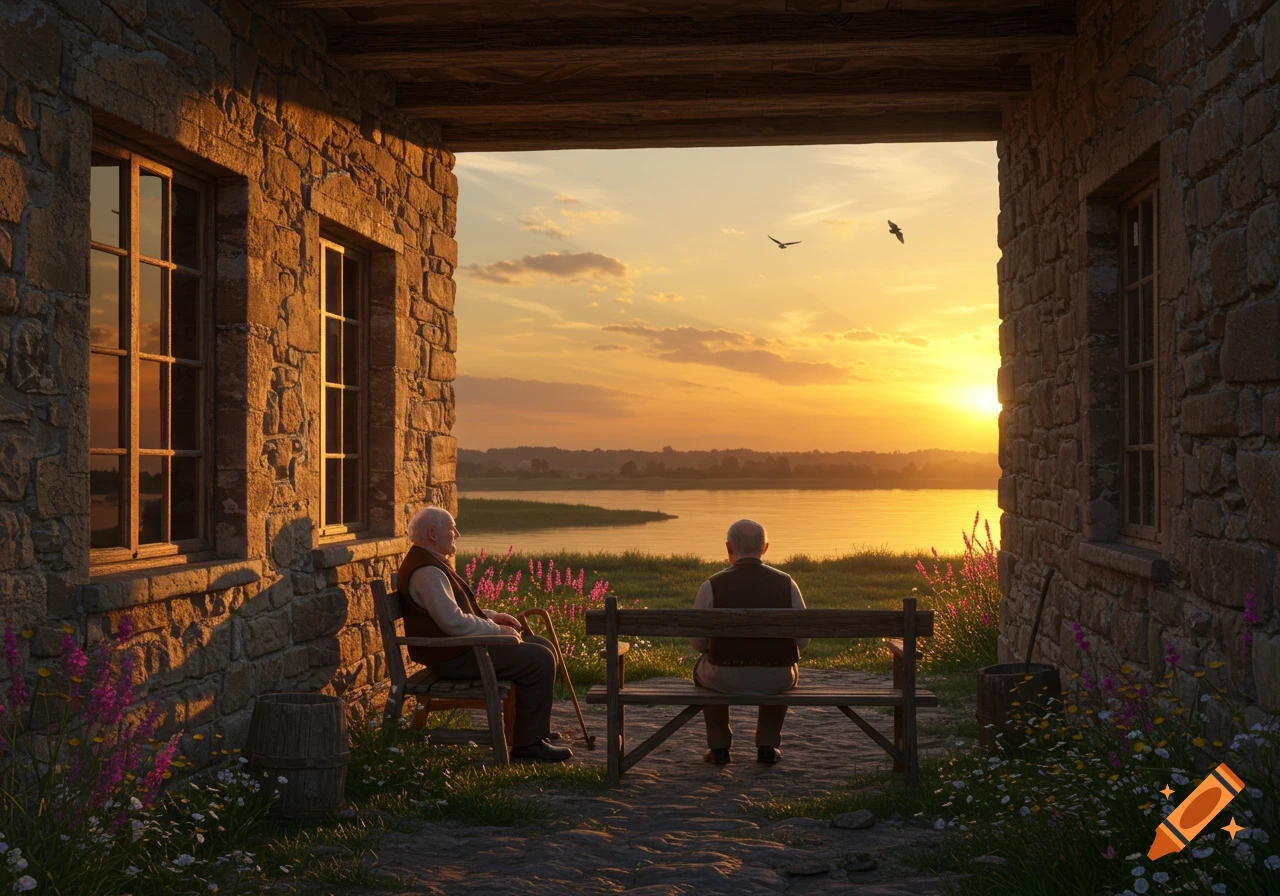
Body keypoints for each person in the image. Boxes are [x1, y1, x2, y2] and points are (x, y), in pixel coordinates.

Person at [396, 506, 572, 763]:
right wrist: (497, 630)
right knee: (539, 659)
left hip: (458, 650)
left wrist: (492, 616)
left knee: (540, 644)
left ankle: (531, 730)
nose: (457, 533)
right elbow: (454, 623)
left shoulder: (430, 562)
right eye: (452, 528)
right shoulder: (427, 571)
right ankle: (529, 745)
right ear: (432, 534)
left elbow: (455, 611)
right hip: (452, 658)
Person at [690, 518, 808, 765]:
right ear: (765, 548)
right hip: (776, 678)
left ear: (728, 547)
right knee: (782, 668)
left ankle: (719, 747)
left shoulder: (711, 585)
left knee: (704, 669)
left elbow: (698, 644)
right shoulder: (787, 583)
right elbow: (802, 641)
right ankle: (768, 745)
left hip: (724, 678)